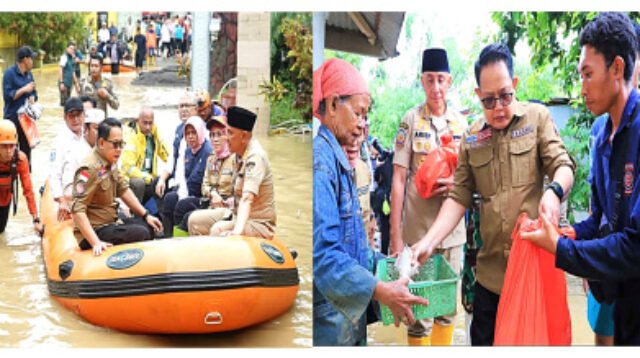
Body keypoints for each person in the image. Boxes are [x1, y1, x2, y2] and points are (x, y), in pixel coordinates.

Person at [411, 43, 575, 346]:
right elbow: (459, 195)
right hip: (490, 279)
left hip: (531, 277)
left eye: (504, 96)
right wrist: (428, 242)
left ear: (514, 85)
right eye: (488, 100)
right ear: (478, 96)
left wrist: (553, 192)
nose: (498, 107)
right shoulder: (472, 138)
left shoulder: (537, 119)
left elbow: (563, 165)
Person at [520, 12, 640, 345]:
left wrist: (562, 249)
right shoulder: (601, 132)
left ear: (617, 68)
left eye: (588, 75)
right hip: (619, 297)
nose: (582, 88)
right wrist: (565, 232)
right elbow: (602, 219)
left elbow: (635, 245)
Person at [313, 58, 429, 346]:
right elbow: (324, 257)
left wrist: (390, 265)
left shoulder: (341, 161)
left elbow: (354, 249)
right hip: (331, 320)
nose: (362, 126)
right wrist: (381, 290)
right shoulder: (321, 165)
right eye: (358, 113)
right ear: (331, 106)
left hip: (349, 314)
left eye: (366, 117)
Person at [390, 48, 468, 346]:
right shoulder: (410, 121)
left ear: (449, 82)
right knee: (417, 309)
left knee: (447, 308)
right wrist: (397, 239)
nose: (435, 88)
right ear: (422, 81)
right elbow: (398, 179)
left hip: (452, 235)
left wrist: (455, 184)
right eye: (429, 80)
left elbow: (469, 178)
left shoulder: (462, 125)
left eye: (441, 80)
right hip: (417, 233)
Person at [71, 117, 163, 256]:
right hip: (95, 230)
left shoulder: (110, 163)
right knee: (142, 233)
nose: (119, 150)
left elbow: (123, 189)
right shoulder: (88, 169)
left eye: (121, 144)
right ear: (101, 143)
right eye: (115, 144)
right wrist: (95, 242)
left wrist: (146, 215)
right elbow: (77, 209)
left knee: (147, 226)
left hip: (110, 222)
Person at [203, 106, 276, 239]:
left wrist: (236, 232)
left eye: (230, 133)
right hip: (236, 215)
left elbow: (247, 198)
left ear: (244, 136)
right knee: (195, 222)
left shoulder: (255, 158)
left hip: (258, 224)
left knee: (217, 230)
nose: (226, 138)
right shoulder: (237, 155)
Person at [160, 116, 211, 237]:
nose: (191, 136)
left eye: (194, 132)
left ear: (200, 132)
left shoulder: (208, 152)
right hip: (189, 192)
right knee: (169, 198)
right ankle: (168, 236)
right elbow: (183, 178)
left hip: (203, 197)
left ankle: (180, 240)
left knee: (182, 205)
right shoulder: (188, 151)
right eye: (187, 133)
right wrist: (181, 195)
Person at [186, 115, 236, 235]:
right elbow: (205, 185)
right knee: (184, 210)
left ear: (228, 135)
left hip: (228, 207)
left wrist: (225, 201)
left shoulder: (235, 159)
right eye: (212, 135)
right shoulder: (211, 159)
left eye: (219, 134)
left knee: (193, 219)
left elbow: (241, 193)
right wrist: (213, 194)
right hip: (211, 203)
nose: (215, 139)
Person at [48, 97, 92, 222]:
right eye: (71, 116)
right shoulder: (59, 142)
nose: (76, 119)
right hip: (70, 190)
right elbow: (54, 174)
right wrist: (61, 200)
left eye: (78, 115)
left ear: (84, 115)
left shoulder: (90, 135)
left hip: (88, 186)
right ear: (65, 118)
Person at [155, 91, 198, 216]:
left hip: (188, 184)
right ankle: (159, 221)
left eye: (187, 106)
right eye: (181, 106)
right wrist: (162, 179)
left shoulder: (200, 132)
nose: (183, 109)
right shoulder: (179, 130)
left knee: (170, 198)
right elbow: (172, 159)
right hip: (175, 179)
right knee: (155, 184)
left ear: (195, 109)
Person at [120, 106, 168, 205]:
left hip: (149, 178)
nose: (148, 127)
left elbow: (166, 154)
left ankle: (158, 214)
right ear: (138, 121)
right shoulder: (130, 135)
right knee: (139, 183)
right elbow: (128, 168)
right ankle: (135, 213)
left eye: (150, 123)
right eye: (145, 123)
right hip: (132, 180)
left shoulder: (154, 133)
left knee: (165, 179)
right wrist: (146, 177)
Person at [0, 120, 40, 234]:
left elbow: (28, 190)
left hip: (5, 199)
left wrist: (35, 219)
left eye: (11, 146)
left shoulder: (20, 160)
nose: (8, 151)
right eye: (4, 146)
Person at [3, 46, 38, 165]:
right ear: (25, 60)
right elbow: (8, 97)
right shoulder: (9, 74)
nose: (32, 62)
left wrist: (33, 97)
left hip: (26, 122)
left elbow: (34, 93)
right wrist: (24, 89)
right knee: (9, 154)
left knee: (26, 155)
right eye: (31, 59)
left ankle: (26, 180)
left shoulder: (29, 75)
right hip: (12, 121)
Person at [58, 42, 81, 106]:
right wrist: (61, 82)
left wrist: (76, 84)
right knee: (64, 104)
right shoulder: (64, 57)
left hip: (69, 84)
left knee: (68, 102)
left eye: (73, 49)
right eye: (70, 48)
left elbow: (73, 72)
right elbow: (60, 70)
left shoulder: (72, 59)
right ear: (67, 48)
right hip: (64, 83)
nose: (72, 50)